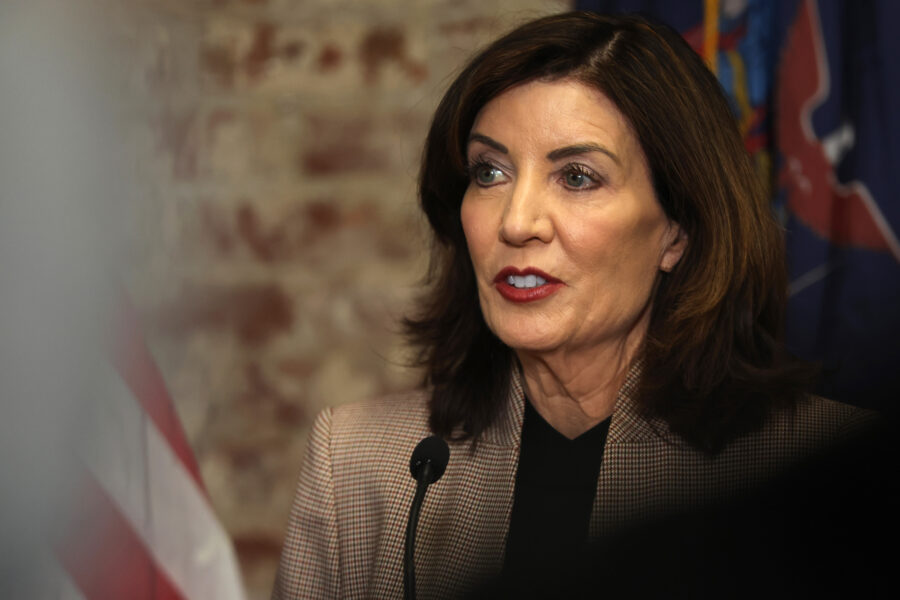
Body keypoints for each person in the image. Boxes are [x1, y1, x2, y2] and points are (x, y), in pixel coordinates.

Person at [272, 11, 875, 599]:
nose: (517, 222)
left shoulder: (821, 475)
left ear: (677, 233)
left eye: (578, 177)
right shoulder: (354, 463)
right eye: (489, 172)